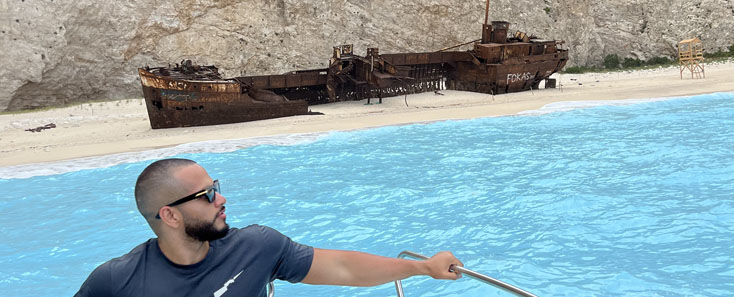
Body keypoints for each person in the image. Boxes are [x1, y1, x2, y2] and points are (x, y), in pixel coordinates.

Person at [75, 158, 462, 296]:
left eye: (218, 189)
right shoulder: (115, 282)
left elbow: (343, 268)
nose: (222, 199)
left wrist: (421, 267)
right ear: (170, 215)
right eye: (207, 195)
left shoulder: (258, 246)